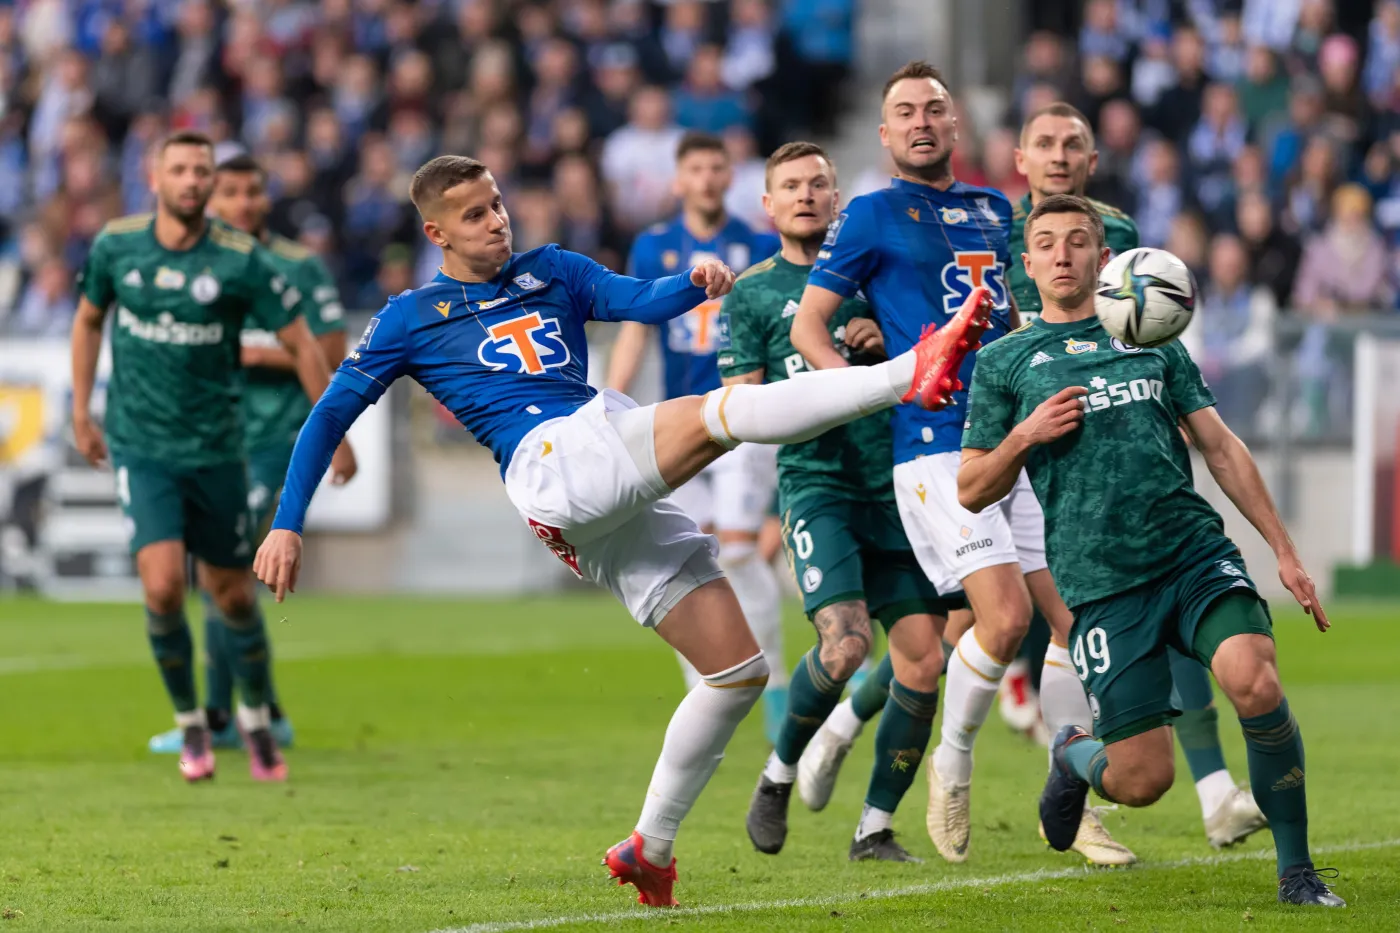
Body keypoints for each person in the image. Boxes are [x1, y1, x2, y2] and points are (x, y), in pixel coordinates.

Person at [252, 154, 989, 907]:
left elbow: (635, 299)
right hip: (550, 460)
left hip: (589, 493)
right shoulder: (410, 316)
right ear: (436, 232)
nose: (496, 221)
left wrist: (690, 284)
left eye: (497, 203)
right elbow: (330, 413)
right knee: (721, 412)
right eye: (474, 215)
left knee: (736, 672)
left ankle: (650, 848)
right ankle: (909, 373)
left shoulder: (551, 268)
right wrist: (287, 523)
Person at [961, 193, 1344, 909]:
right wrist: (1024, 436)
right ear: (1027, 265)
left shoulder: (1153, 336)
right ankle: (1072, 753)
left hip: (1192, 555)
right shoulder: (1005, 361)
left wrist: (1285, 552)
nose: (1063, 254)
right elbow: (970, 488)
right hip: (1103, 586)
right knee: (1142, 781)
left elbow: (1220, 447)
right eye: (1047, 243)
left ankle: (1298, 873)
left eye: (1079, 240)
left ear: (1104, 258)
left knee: (1256, 682)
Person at [790, 61, 1127, 865]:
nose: (921, 121)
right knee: (1001, 619)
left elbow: (1008, 310)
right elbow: (810, 324)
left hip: (1015, 436)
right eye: (905, 111)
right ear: (884, 133)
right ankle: (952, 761)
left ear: (955, 125)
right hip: (936, 447)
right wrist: (867, 387)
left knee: (1076, 620)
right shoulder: (869, 213)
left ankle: (1074, 800)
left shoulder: (991, 210)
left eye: (934, 109)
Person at [1007, 103, 1266, 851]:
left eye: (1073, 144)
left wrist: (1162, 391)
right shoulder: (990, 230)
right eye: (1045, 143)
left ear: (1092, 160)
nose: (1059, 155)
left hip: (1118, 447)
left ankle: (1210, 791)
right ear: (1021, 159)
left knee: (1172, 612)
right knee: (1008, 627)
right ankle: (952, 767)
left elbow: (1148, 321)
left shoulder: (1118, 232)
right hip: (1024, 448)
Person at [70, 131, 354, 784]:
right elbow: (86, 320)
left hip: (221, 447)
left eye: (202, 171)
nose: (192, 181)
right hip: (143, 446)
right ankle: (194, 724)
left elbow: (307, 345)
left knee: (231, 594)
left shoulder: (241, 260)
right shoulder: (116, 245)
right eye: (181, 170)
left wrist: (335, 431)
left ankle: (255, 715)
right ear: (155, 178)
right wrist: (81, 411)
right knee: (164, 585)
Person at [722, 141, 959, 863]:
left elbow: (929, 359)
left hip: (896, 483)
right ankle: (777, 773)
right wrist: (818, 385)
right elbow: (740, 409)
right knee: (847, 644)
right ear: (769, 205)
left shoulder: (878, 278)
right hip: (818, 484)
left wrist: (885, 342)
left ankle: (873, 828)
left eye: (818, 184)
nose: (805, 195)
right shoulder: (753, 293)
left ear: (837, 201)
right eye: (790, 186)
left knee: (923, 660)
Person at [146, 153, 354, 758]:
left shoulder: (298, 265)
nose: (242, 203)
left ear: (266, 199)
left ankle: (219, 718)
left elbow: (331, 353)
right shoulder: (198, 263)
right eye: (230, 192)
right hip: (212, 440)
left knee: (225, 568)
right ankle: (266, 712)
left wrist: (256, 354)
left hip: (275, 441)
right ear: (211, 199)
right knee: (221, 575)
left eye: (252, 192)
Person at [606, 131, 789, 740]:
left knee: (736, 549)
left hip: (741, 415)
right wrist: (609, 402)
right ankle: (707, 692)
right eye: (697, 169)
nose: (707, 179)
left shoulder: (758, 246)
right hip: (681, 421)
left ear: (729, 176)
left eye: (717, 168)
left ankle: (776, 684)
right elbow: (636, 326)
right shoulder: (653, 246)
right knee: (690, 559)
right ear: (678, 180)